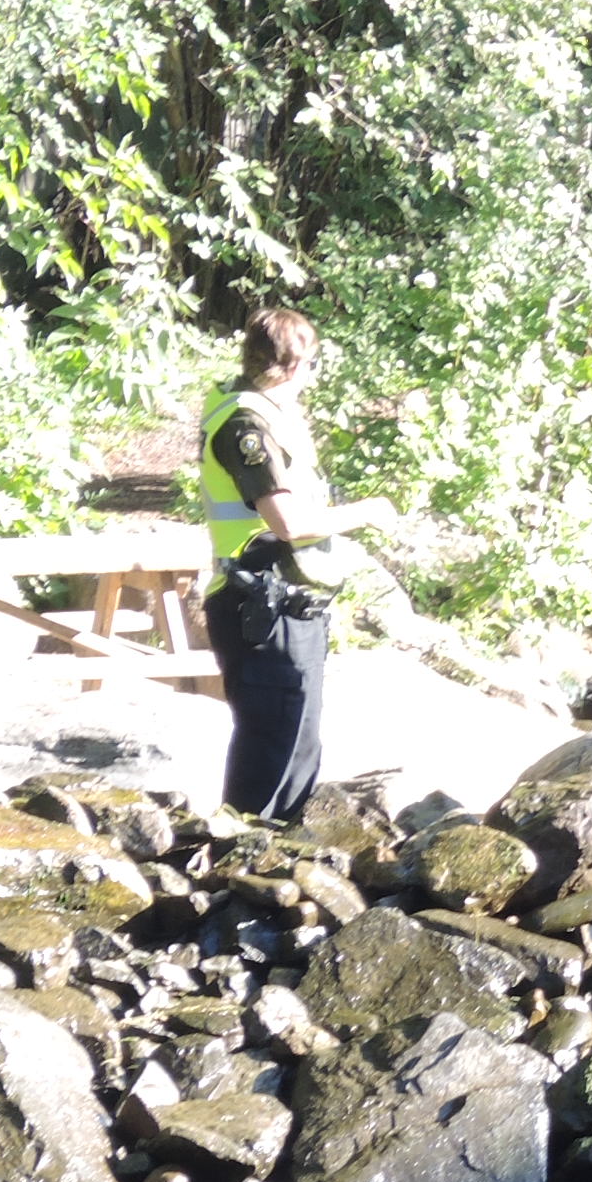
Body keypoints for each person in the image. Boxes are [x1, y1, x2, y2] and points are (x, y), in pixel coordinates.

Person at [195, 306, 392, 823]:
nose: (312, 376)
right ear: (294, 365)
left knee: (297, 744)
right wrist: (366, 513)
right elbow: (286, 522)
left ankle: (277, 870)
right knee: (270, 748)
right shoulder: (244, 424)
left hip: (288, 604)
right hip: (259, 606)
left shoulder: (262, 412)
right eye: (312, 363)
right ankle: (239, 867)